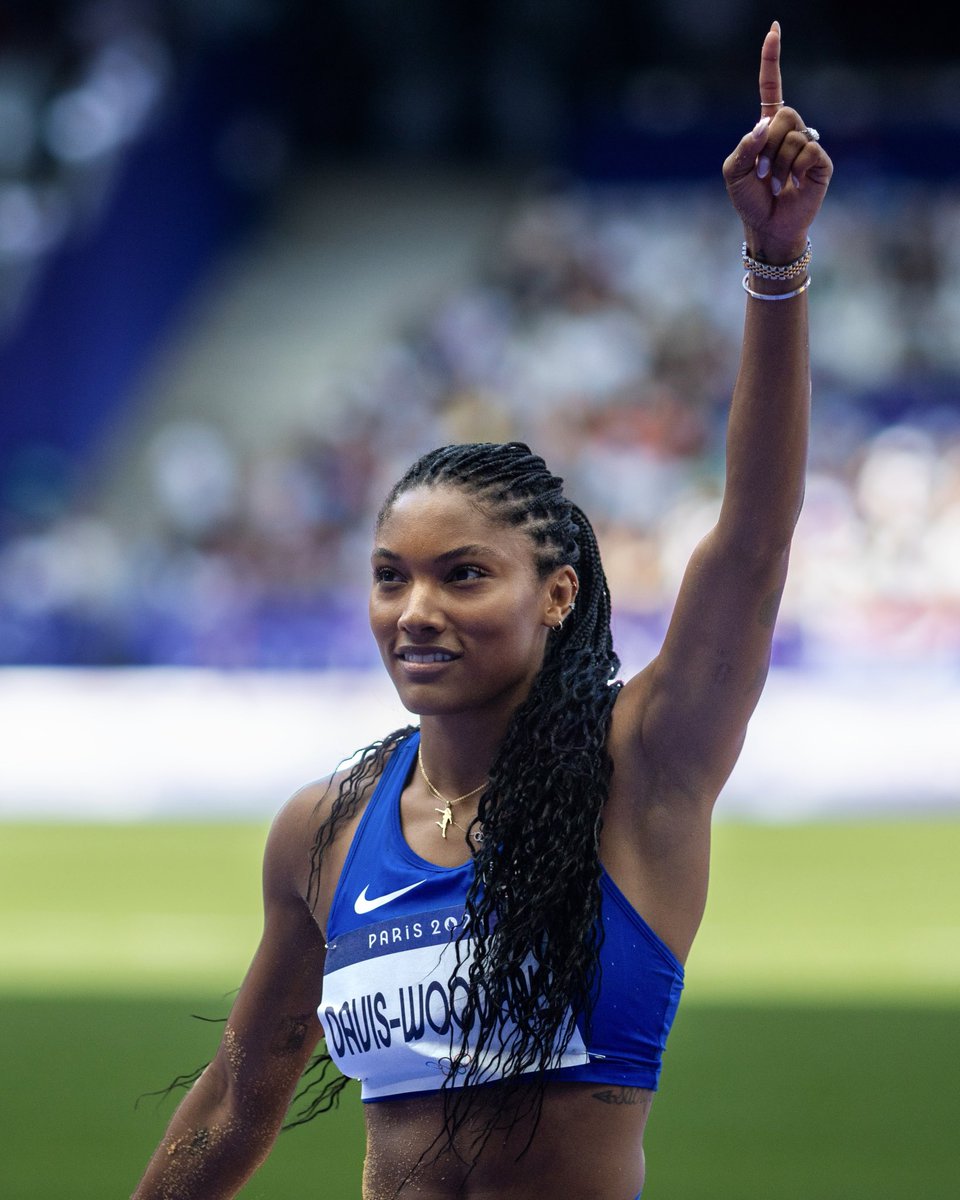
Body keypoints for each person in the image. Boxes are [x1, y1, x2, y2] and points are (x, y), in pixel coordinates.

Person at [132, 22, 832, 1200]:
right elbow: (242, 1092)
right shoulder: (327, 830)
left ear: (558, 594)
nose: (416, 610)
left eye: (464, 575)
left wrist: (775, 267)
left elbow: (754, 545)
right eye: (390, 575)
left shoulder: (642, 769)